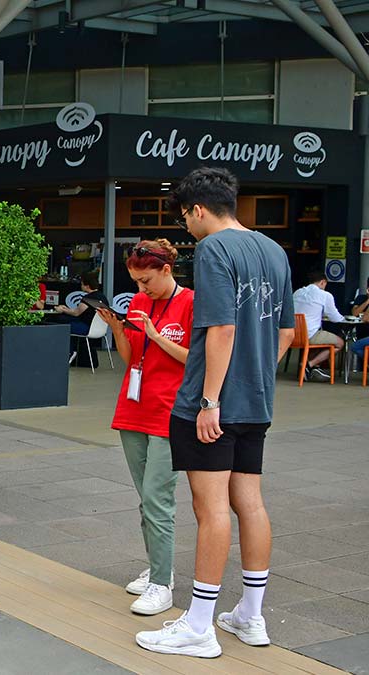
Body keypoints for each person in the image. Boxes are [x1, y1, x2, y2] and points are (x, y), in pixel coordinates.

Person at [136, 167, 294, 659]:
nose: (186, 227)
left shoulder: (213, 249)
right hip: (256, 400)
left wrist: (210, 400)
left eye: (185, 217)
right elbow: (287, 331)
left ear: (198, 209)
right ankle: (250, 615)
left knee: (211, 510)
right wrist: (254, 376)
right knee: (251, 502)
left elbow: (221, 328)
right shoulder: (274, 250)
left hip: (212, 403)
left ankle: (200, 625)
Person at [97, 240, 194, 617]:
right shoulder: (139, 302)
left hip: (170, 411)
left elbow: (198, 359)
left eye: (147, 280)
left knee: (157, 498)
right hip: (134, 407)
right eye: (136, 281)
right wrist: (118, 330)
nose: (141, 288)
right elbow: (131, 357)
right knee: (146, 497)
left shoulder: (191, 303)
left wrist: (155, 336)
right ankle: (158, 569)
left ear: (167, 270)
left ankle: (162, 582)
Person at [291, 270, 344, 381]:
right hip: (309, 335)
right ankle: (309, 365)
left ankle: (312, 369)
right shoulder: (325, 295)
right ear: (322, 282)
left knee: (320, 339)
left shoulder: (297, 292)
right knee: (339, 343)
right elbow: (335, 317)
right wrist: (344, 318)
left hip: (292, 335)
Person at [50, 270, 105, 334]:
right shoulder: (102, 296)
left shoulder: (89, 298)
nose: (81, 286)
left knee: (60, 324)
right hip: (100, 329)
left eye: (82, 284)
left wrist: (62, 310)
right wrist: (65, 308)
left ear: (87, 286)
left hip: (87, 327)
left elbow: (76, 313)